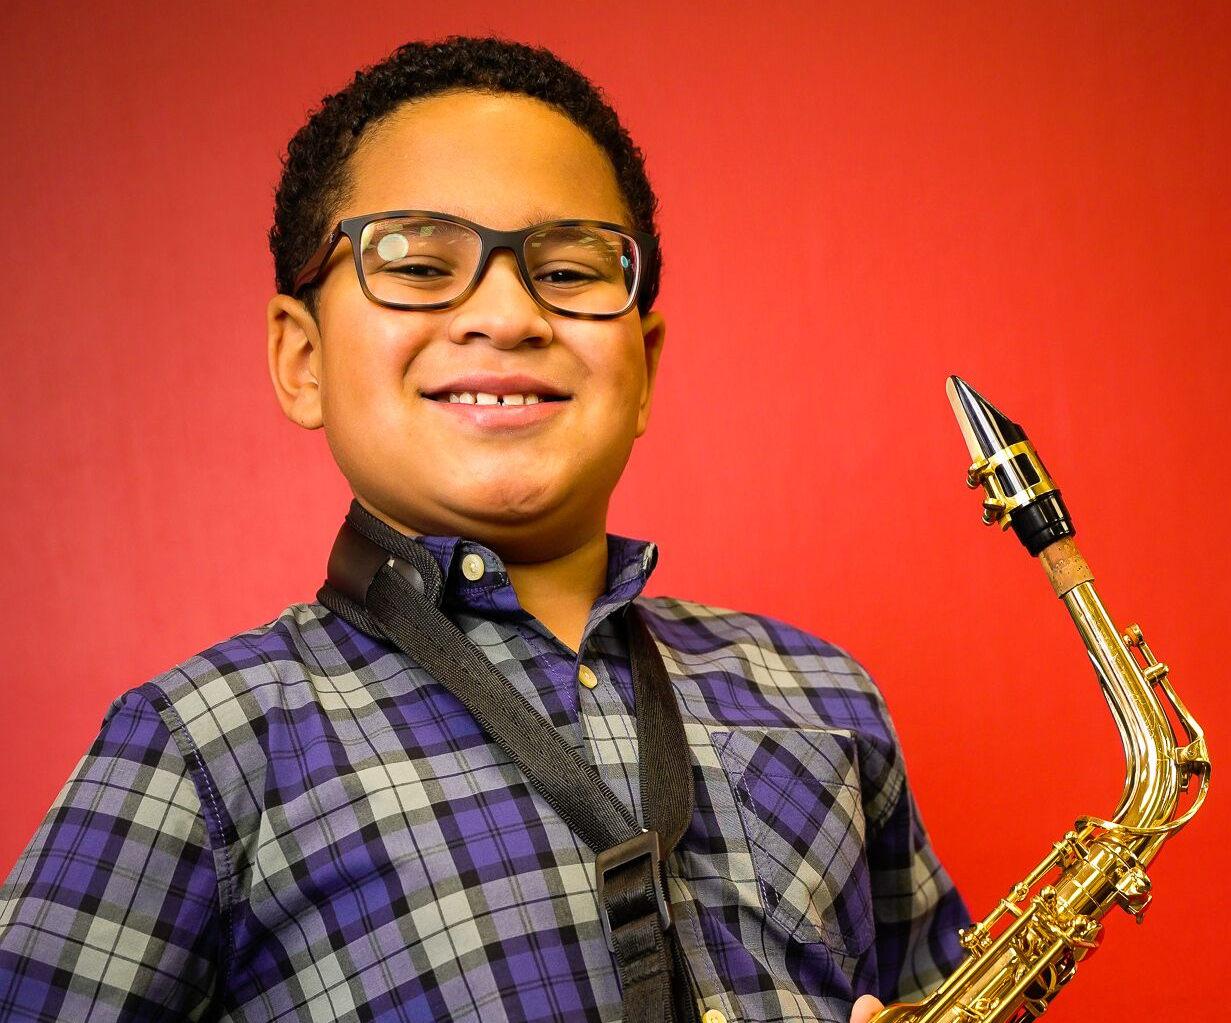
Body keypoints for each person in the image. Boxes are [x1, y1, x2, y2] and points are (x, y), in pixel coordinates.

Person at [0, 36, 969, 1023]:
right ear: (301, 358)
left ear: (645, 364)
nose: (507, 316)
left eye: (570, 270)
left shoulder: (819, 694)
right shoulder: (208, 743)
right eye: (421, 265)